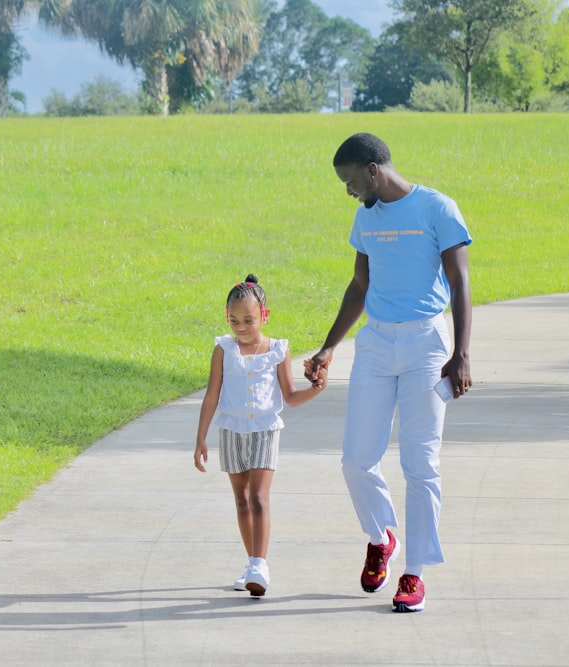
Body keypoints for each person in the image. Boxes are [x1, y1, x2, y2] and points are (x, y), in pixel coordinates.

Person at [304, 133, 472, 613]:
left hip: (425, 344)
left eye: (351, 180)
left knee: (420, 465)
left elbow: (460, 285)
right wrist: (329, 347)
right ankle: (382, 536)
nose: (350, 191)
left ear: (372, 170)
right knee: (356, 459)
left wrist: (461, 353)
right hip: (376, 345)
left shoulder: (437, 209)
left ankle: (414, 573)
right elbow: (360, 285)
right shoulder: (365, 218)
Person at [195, 274, 327, 597]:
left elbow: (291, 396)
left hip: (265, 431)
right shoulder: (223, 350)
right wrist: (200, 438)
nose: (241, 327)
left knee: (258, 497)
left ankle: (260, 564)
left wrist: (316, 389)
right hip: (232, 430)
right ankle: (251, 563)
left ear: (264, 316)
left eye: (249, 320)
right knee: (241, 501)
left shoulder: (277, 350)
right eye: (234, 320)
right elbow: (212, 395)